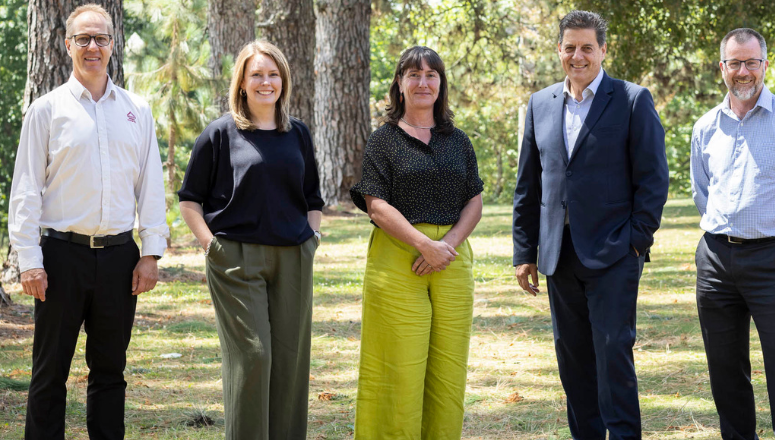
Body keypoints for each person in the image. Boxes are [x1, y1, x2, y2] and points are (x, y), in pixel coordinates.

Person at [8, 4, 168, 439]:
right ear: (68, 45)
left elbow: (151, 185)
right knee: (49, 374)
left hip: (120, 259)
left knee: (110, 373)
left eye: (101, 38)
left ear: (113, 45)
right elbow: (26, 189)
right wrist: (29, 259)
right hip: (59, 258)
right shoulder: (46, 110)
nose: (93, 47)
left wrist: (151, 253)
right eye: (83, 39)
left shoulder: (137, 110)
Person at [512, 10, 669, 439]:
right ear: (559, 51)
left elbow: (653, 180)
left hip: (615, 252)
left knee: (613, 354)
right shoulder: (540, 103)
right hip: (558, 255)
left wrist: (636, 242)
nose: (577, 56)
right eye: (569, 48)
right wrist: (525, 252)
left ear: (603, 49)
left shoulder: (633, 99)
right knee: (573, 359)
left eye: (586, 47)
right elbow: (529, 183)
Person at [689, 28, 775, 440]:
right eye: (735, 63)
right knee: (725, 367)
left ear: (765, 65)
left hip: (773, 260)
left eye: (752, 62)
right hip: (715, 260)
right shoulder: (705, 127)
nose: (743, 71)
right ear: (722, 68)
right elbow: (702, 192)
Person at [177, 40, 324, 440]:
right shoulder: (220, 133)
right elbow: (190, 200)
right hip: (236, 259)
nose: (266, 82)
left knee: (290, 362)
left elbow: (312, 196)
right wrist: (212, 247)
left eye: (273, 74)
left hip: (293, 257)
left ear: (284, 81)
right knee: (254, 357)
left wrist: (312, 238)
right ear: (242, 82)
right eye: (256, 74)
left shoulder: (298, 134)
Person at [350, 46, 484, 439]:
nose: (423, 82)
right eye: (413, 74)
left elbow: (474, 199)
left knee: (448, 369)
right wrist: (424, 245)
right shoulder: (383, 140)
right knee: (397, 367)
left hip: (453, 260)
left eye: (431, 75)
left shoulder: (458, 141)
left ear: (441, 85)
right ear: (400, 83)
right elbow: (375, 204)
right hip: (398, 257)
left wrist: (448, 245)